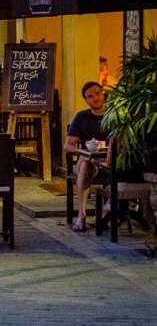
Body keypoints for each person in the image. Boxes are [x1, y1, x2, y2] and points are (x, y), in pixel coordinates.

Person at [64, 81, 109, 231]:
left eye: (97, 93)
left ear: (103, 93)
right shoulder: (82, 117)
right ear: (86, 100)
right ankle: (81, 216)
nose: (95, 98)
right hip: (90, 161)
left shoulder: (114, 115)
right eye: (90, 96)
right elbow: (68, 145)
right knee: (84, 165)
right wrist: (82, 153)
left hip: (110, 160)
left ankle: (105, 214)